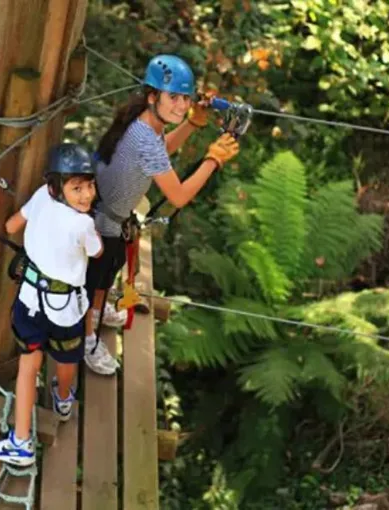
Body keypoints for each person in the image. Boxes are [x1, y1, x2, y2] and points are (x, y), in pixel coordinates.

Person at [83, 54, 241, 375]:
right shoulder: (144, 138)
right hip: (103, 223)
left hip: (109, 216)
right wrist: (213, 160)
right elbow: (178, 196)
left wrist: (193, 123)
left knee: (104, 276)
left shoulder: (145, 124)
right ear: (153, 96)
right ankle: (87, 340)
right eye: (174, 97)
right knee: (91, 284)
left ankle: (98, 313)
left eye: (186, 98)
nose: (181, 105)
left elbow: (162, 149)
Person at [0, 143, 103, 467]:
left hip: (30, 301)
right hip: (65, 308)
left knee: (29, 367)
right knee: (66, 357)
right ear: (57, 187)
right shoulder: (83, 224)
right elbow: (97, 252)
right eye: (77, 188)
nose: (87, 195)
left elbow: (11, 226)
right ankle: (63, 400)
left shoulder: (41, 195)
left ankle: (21, 442)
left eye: (89, 186)